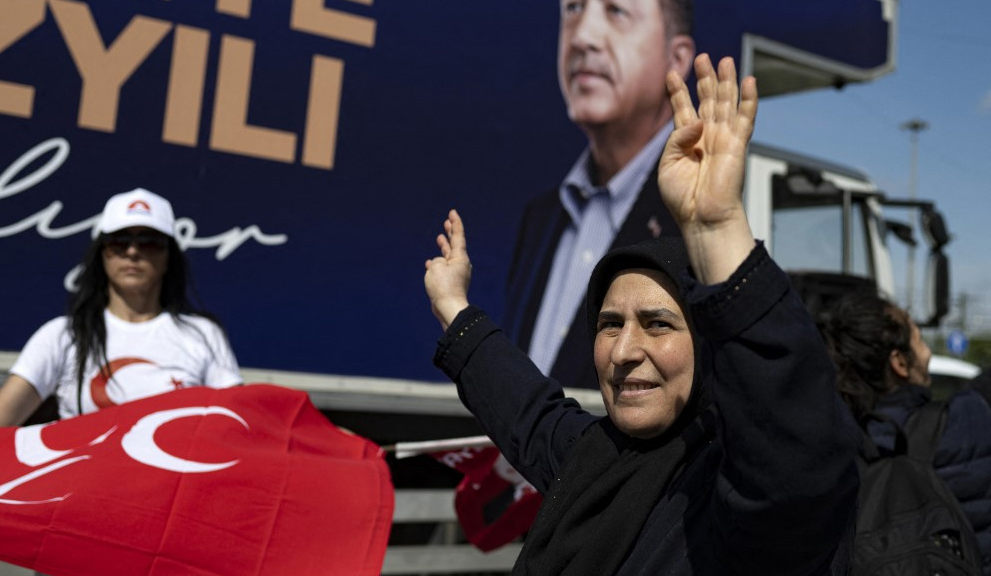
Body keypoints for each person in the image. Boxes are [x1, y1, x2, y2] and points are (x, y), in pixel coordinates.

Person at [425, 55, 857, 574]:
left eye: (658, 324)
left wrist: (717, 231)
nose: (625, 352)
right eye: (610, 324)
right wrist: (454, 307)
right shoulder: (594, 459)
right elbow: (526, 411)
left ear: (710, 344)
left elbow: (793, 448)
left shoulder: (741, 499)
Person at [503, 0, 696, 389]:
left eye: (616, 11)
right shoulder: (541, 217)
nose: (583, 37)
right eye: (573, 9)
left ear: (676, 59)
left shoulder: (697, 222)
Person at [0, 188, 242, 427]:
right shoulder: (63, 334)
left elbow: (239, 424)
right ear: (102, 254)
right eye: (119, 242)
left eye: (149, 242)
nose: (133, 252)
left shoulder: (203, 334)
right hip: (78, 485)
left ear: (169, 256)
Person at [819, 290, 991, 574]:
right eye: (919, 340)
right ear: (899, 362)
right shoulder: (966, 421)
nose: (928, 352)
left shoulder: (830, 448)